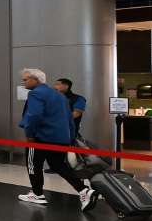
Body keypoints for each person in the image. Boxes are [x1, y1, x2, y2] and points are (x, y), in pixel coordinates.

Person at [18, 68, 97, 211]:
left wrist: (29, 135)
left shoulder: (35, 93)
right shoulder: (60, 96)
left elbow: (34, 115)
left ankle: (37, 194)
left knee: (33, 164)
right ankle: (83, 190)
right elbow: (69, 119)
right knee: (59, 165)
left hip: (40, 138)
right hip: (60, 138)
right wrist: (70, 137)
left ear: (35, 80)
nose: (23, 81)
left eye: (25, 79)